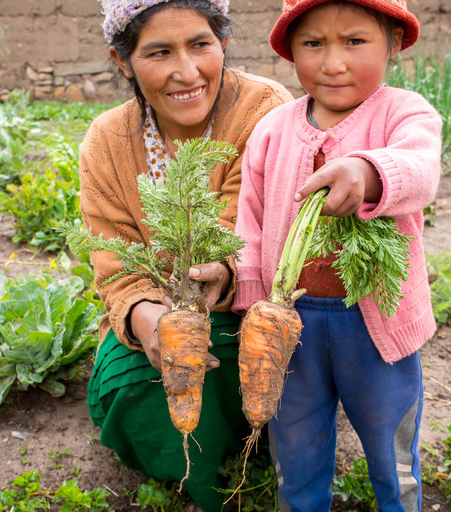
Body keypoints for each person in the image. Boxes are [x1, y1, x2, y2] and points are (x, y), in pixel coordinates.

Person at [79, 0, 293, 509]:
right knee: (137, 386)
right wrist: (151, 322)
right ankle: (185, 475)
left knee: (250, 357)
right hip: (165, 316)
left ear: (221, 41)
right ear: (122, 60)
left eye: (200, 44)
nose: (186, 71)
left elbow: (252, 229)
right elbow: (117, 268)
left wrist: (225, 271)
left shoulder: (265, 109)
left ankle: (256, 449)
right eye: (158, 52)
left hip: (252, 305)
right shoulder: (107, 141)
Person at [232, 0, 441, 510]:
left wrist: (367, 173)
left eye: (354, 41)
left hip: (376, 326)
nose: (333, 62)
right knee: (296, 446)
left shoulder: (404, 112)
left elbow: (420, 167)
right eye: (313, 44)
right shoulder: (273, 129)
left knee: (390, 446)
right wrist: (256, 306)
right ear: (290, 52)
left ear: (393, 42)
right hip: (290, 325)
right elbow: (251, 222)